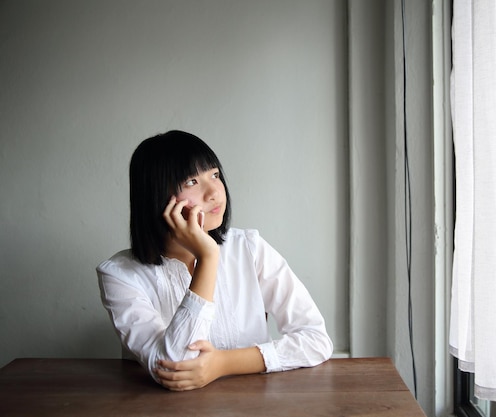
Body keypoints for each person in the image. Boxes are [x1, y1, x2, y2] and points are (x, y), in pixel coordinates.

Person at [96, 130, 333, 391]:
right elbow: (173, 368)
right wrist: (207, 258)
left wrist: (222, 364)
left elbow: (316, 339)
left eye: (215, 175)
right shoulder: (119, 275)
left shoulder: (249, 248)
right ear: (156, 196)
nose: (214, 193)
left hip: (252, 405)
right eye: (191, 182)